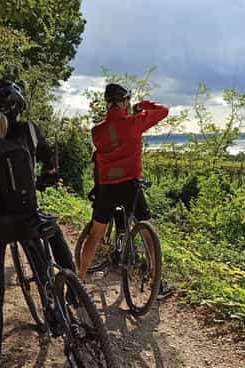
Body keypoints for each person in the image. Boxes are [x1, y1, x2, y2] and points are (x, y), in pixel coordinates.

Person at [0, 79, 76, 368]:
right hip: (27, 215)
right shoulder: (30, 130)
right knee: (46, 247)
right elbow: (47, 162)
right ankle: (64, 301)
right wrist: (49, 175)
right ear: (18, 105)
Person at [79, 83, 174, 298]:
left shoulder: (97, 131)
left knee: (95, 234)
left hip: (107, 188)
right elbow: (164, 111)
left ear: (108, 104)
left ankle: (80, 279)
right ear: (124, 103)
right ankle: (155, 282)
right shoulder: (134, 122)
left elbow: (108, 140)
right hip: (130, 186)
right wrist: (142, 105)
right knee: (148, 231)